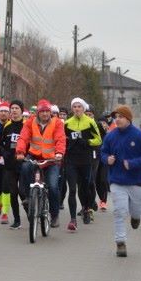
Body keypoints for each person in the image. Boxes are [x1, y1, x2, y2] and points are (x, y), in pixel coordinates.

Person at [100, 105, 141, 257]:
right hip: (117, 181)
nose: (117, 120)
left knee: (136, 211)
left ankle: (136, 217)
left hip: (137, 181)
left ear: (128, 118)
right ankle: (120, 243)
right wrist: (107, 159)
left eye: (120, 117)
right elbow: (103, 152)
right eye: (115, 117)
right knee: (119, 211)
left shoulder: (140, 136)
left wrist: (133, 163)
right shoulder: (111, 136)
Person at [15, 98, 66, 228]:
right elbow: (23, 137)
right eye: (42, 112)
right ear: (37, 112)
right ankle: (28, 197)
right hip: (34, 156)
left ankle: (54, 215)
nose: (44, 114)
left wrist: (59, 153)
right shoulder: (30, 122)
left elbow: (60, 139)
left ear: (50, 112)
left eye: (47, 111)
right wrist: (20, 152)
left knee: (53, 187)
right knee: (25, 168)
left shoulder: (57, 123)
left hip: (52, 159)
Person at [63, 97, 102, 231]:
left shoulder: (90, 122)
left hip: (86, 160)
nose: (77, 109)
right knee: (72, 189)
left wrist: (87, 142)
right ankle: (73, 219)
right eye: (74, 107)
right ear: (72, 109)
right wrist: (67, 144)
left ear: (83, 108)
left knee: (85, 187)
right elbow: (62, 140)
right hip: (71, 160)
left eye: (79, 106)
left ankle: (86, 208)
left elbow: (98, 140)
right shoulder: (67, 123)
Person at [0, 100, 26, 229]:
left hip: (24, 163)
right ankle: (17, 220)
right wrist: (3, 152)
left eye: (17, 108)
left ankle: (31, 214)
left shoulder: (27, 125)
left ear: (21, 110)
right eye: (12, 108)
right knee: (13, 193)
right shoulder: (6, 126)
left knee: (23, 192)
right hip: (9, 165)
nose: (14, 110)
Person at [92, 113, 112, 211]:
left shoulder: (110, 135)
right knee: (94, 181)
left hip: (104, 160)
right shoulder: (94, 133)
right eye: (100, 122)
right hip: (94, 159)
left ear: (107, 125)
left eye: (104, 123)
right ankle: (94, 200)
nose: (102, 124)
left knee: (103, 180)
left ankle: (103, 201)